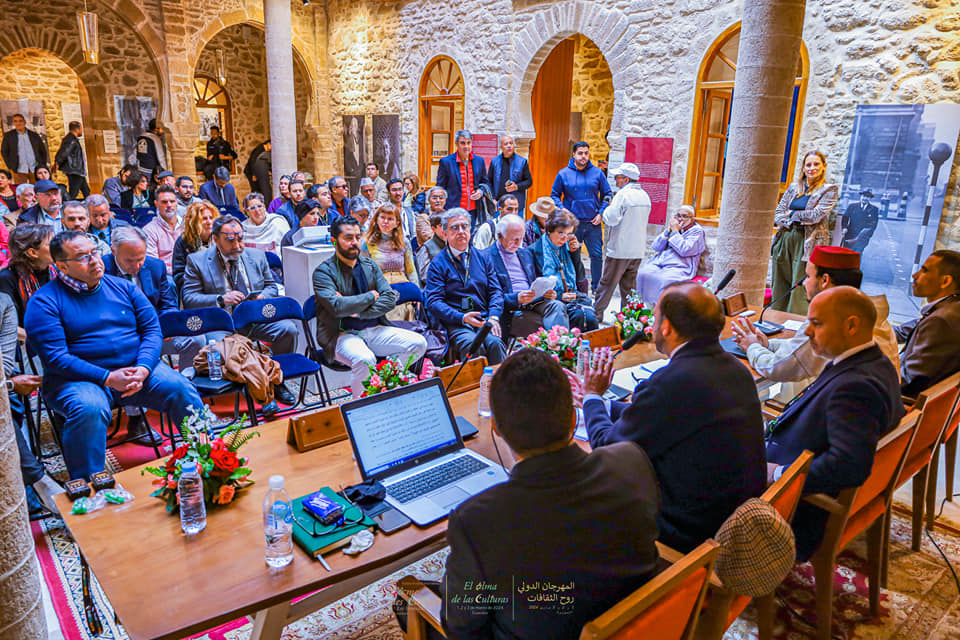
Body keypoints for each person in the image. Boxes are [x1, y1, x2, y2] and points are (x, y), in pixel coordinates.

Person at [438, 348, 660, 639]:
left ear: (496, 427)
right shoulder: (630, 460)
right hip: (640, 625)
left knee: (407, 604)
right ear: (572, 419)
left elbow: (461, 627)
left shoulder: (477, 521)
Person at [583, 281, 767, 552]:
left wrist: (591, 396)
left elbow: (607, 448)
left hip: (692, 533)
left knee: (589, 493)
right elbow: (668, 417)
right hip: (735, 517)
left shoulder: (673, 382)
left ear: (666, 327)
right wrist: (603, 406)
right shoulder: (734, 367)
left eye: (655, 316)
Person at [25, 231, 204, 478]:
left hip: (135, 368)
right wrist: (108, 377)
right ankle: (90, 486)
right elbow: (56, 358)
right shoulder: (44, 301)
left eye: (94, 252)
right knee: (89, 408)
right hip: (77, 379)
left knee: (181, 388)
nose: (95, 260)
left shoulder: (122, 287)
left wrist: (143, 368)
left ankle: (207, 459)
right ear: (62, 266)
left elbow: (153, 330)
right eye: (83, 257)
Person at [765, 286, 905, 560]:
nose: (807, 332)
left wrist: (779, 475)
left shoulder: (856, 387)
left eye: (816, 324)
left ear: (851, 325)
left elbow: (849, 466)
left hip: (793, 510)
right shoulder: (874, 362)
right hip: (791, 464)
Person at [732, 245, 900, 382]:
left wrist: (751, 346)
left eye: (807, 276)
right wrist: (768, 345)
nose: (804, 283)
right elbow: (801, 351)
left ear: (824, 280)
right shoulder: (871, 312)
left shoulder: (832, 318)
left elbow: (778, 368)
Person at [181, 215, 298, 406]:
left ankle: (277, 381)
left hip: (254, 318)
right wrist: (220, 299)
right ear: (216, 239)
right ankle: (262, 392)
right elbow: (189, 298)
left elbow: (272, 286)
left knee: (288, 329)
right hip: (222, 324)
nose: (238, 244)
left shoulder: (256, 256)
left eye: (241, 238)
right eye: (230, 239)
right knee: (234, 350)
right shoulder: (197, 261)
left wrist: (262, 297)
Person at [312, 215, 427, 397]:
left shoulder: (369, 265)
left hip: (374, 328)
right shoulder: (323, 272)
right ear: (334, 241)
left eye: (358, 237)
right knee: (365, 359)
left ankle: (384, 381)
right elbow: (337, 307)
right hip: (341, 335)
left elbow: (389, 298)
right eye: (348, 238)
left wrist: (358, 313)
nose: (355, 242)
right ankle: (359, 408)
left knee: (419, 343)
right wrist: (370, 296)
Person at [424, 208, 507, 364]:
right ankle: (475, 388)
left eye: (464, 226)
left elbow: (496, 291)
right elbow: (433, 302)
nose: (461, 231)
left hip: (484, 319)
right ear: (445, 233)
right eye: (455, 228)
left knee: (495, 344)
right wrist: (462, 317)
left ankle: (498, 386)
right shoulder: (437, 263)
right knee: (474, 346)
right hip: (457, 322)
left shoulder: (483, 257)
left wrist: (494, 317)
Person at [771, 150, 838, 315]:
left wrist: (792, 214)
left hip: (808, 242)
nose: (812, 168)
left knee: (800, 285)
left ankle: (794, 324)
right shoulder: (794, 188)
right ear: (803, 167)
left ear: (824, 167)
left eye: (816, 164)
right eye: (808, 165)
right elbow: (778, 213)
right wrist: (791, 218)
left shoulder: (829, 190)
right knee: (779, 282)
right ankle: (775, 318)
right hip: (785, 237)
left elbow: (815, 216)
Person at [486, 213, 568, 335]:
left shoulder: (525, 254)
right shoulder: (487, 257)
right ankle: (554, 348)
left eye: (521, 238)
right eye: (514, 239)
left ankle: (559, 348)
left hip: (533, 301)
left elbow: (535, 280)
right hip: (511, 307)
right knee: (542, 326)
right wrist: (516, 298)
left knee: (557, 306)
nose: (518, 243)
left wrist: (545, 292)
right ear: (500, 236)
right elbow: (487, 296)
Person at [896, 250, 960, 398]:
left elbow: (907, 380)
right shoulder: (949, 308)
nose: (915, 275)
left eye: (924, 270)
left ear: (945, 281)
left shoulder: (941, 320)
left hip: (903, 403)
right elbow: (902, 331)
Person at [550, 141, 611, 292]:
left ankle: (597, 288)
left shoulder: (597, 173)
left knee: (596, 256)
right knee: (572, 255)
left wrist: (601, 213)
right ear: (574, 155)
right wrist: (563, 209)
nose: (583, 156)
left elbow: (607, 194)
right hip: (572, 225)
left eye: (586, 153)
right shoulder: (563, 173)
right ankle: (574, 286)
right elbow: (555, 195)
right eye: (580, 153)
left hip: (593, 223)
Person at [594, 162, 651, 321]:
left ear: (626, 179)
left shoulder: (622, 196)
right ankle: (628, 319)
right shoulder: (645, 196)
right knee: (629, 288)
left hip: (620, 248)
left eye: (617, 177)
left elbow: (611, 219)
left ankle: (596, 315)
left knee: (607, 284)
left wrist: (607, 209)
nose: (615, 180)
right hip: (637, 249)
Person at [528, 210, 598, 332]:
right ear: (549, 230)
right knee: (578, 316)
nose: (564, 238)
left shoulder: (567, 247)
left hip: (571, 296)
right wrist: (559, 296)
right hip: (550, 300)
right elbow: (534, 287)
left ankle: (588, 350)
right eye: (560, 233)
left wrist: (575, 254)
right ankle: (571, 349)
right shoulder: (534, 251)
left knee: (591, 317)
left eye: (568, 234)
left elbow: (580, 278)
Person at [633, 205, 706, 307]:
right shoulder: (673, 227)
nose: (680, 219)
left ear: (692, 219)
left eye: (684, 216)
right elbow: (656, 247)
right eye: (678, 215)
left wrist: (675, 232)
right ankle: (644, 307)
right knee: (643, 274)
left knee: (664, 280)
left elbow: (685, 250)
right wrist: (667, 231)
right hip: (661, 262)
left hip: (681, 266)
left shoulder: (697, 231)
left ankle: (661, 308)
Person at [362, 204, 418, 321]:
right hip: (380, 289)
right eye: (382, 217)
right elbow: (363, 274)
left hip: (403, 288)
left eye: (390, 219)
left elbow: (411, 270)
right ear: (376, 219)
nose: (385, 222)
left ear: (397, 223)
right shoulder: (367, 243)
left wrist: (416, 292)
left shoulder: (404, 242)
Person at [0, 223, 54, 324]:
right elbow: (6, 325)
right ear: (33, 253)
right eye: (50, 244)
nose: (57, 247)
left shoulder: (56, 271)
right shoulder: (7, 279)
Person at [435, 130, 490, 224]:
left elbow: (485, 182)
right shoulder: (446, 162)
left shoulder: (479, 161)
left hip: (473, 210)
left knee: (470, 235)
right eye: (463, 143)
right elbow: (440, 186)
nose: (466, 147)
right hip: (453, 209)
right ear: (456, 143)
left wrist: (481, 191)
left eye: (469, 143)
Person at [172, 200, 217, 291]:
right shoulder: (183, 242)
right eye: (204, 219)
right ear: (194, 221)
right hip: (194, 289)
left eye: (211, 218)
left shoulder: (221, 238)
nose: (209, 222)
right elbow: (178, 275)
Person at [142, 185, 181, 275]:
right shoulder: (149, 230)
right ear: (156, 204)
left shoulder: (187, 226)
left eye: (172, 201)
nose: (169, 205)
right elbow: (153, 264)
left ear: (177, 202)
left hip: (190, 273)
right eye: (164, 202)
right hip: (167, 276)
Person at [487, 134, 533, 210]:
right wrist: (493, 199)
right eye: (506, 144)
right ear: (501, 147)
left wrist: (517, 186)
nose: (509, 146)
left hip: (516, 205)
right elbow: (489, 182)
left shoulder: (522, 162)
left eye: (511, 143)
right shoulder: (494, 161)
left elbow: (529, 181)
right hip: (499, 204)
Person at [1, 113, 49, 182]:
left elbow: (42, 151)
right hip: (19, 170)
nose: (18, 123)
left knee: (38, 189)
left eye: (20, 121)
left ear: (24, 122)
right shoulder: (9, 136)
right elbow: (4, 152)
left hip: (35, 169)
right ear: (14, 123)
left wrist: (42, 164)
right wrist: (10, 166)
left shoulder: (34, 135)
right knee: (21, 190)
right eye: (15, 121)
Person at [52, 122, 90, 200]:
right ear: (77, 129)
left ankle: (90, 205)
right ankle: (68, 206)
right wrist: (57, 162)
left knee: (86, 191)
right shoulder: (71, 140)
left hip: (78, 170)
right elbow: (64, 152)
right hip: (75, 170)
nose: (82, 131)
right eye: (81, 129)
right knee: (73, 192)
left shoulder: (71, 139)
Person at [841, 189, 879, 254]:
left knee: (857, 254)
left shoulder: (874, 209)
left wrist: (866, 236)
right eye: (864, 196)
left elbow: (873, 225)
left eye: (867, 197)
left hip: (862, 238)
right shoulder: (852, 206)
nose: (865, 198)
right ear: (861, 196)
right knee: (845, 254)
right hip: (850, 235)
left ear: (870, 198)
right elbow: (845, 218)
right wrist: (844, 228)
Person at [415, 212, 445, 283]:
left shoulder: (455, 245)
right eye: (441, 226)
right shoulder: (426, 247)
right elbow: (424, 276)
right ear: (434, 229)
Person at [386, 178, 416, 245]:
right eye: (394, 190)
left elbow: (413, 231)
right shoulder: (385, 210)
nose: (398, 193)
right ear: (388, 192)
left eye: (400, 189)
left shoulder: (408, 209)